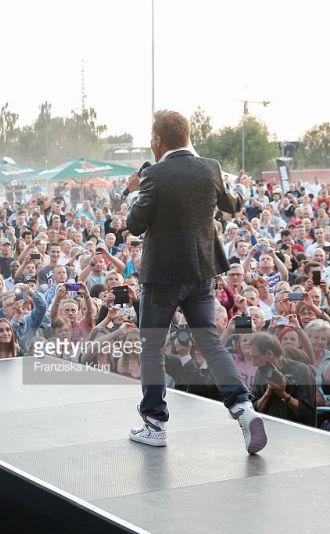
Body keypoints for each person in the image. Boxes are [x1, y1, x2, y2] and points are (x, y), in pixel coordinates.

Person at [124, 110, 266, 453]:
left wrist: (133, 193)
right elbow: (234, 203)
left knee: (152, 347)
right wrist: (240, 189)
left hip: (161, 277)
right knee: (211, 343)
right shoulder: (211, 167)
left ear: (158, 140)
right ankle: (243, 409)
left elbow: (135, 224)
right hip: (201, 272)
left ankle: (155, 424)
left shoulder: (153, 175)